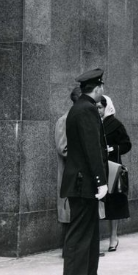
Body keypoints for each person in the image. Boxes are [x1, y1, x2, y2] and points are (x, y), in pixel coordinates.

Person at [60, 68, 113, 275]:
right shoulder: (87, 110)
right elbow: (93, 149)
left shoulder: (79, 108)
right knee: (80, 235)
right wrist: (101, 181)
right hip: (84, 183)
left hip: (83, 183)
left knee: (90, 235)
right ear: (98, 88)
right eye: (103, 87)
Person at [100, 95, 131, 251]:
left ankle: (113, 236)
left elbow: (126, 144)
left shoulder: (115, 124)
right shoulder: (91, 122)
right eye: (96, 107)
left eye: (100, 108)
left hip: (111, 167)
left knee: (113, 204)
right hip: (97, 167)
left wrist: (112, 148)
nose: (98, 111)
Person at [55, 87, 81, 234]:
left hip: (79, 174)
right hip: (70, 174)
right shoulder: (64, 120)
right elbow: (63, 148)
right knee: (70, 211)